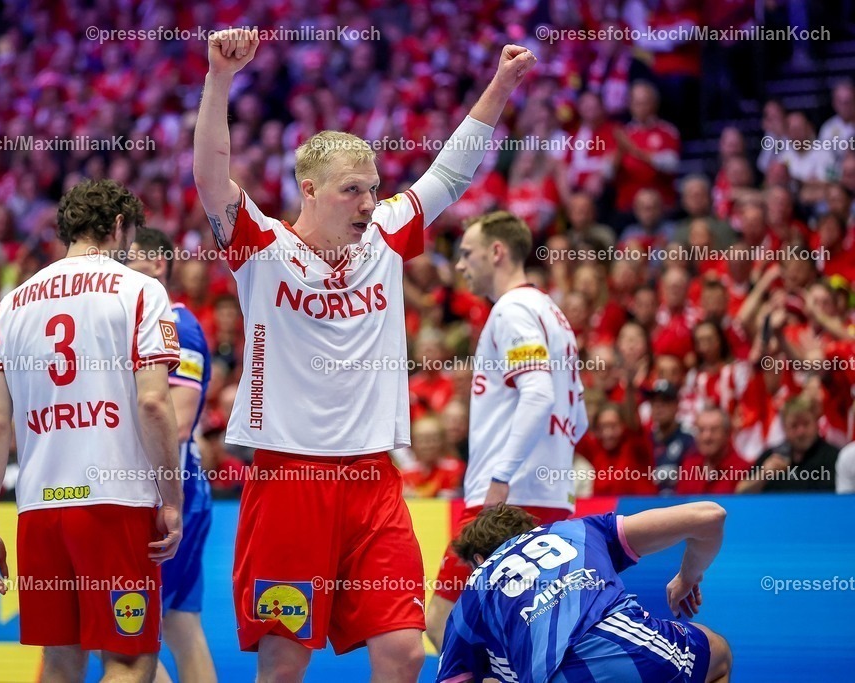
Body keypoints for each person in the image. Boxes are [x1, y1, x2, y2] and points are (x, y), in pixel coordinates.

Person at [193, 26, 538, 682]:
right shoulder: (261, 247)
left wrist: (500, 85)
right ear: (310, 190)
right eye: (352, 189)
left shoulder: (384, 235)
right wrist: (219, 78)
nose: (368, 202)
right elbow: (211, 177)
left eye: (373, 188)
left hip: (373, 478)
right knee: (284, 664)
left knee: (405, 649)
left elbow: (451, 172)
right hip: (289, 479)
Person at [0, 179, 184, 683]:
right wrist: (172, 500)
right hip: (116, 504)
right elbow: (154, 403)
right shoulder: (140, 290)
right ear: (118, 227)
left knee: (61, 664)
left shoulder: (10, 306)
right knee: (128, 662)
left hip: (40, 509)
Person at [427, 211, 588, 649]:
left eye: (467, 253)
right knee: (524, 638)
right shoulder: (553, 314)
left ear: (496, 252)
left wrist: (501, 476)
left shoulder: (512, 310)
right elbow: (579, 417)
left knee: (443, 622)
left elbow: (538, 394)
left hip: (504, 501)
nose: (459, 265)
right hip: (550, 499)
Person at [437, 502, 733, 683]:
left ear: (478, 559)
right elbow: (710, 516)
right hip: (632, 653)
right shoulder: (574, 531)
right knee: (717, 652)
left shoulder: (472, 593)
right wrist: (687, 577)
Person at [126, 227, 216, 683]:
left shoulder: (177, 324)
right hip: (174, 493)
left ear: (158, 264)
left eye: (129, 260)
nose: (120, 270)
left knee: (127, 636)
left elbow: (177, 422)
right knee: (181, 627)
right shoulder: (141, 327)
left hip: (171, 495)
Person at [737, 397, 839, 494]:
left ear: (816, 423)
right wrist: (763, 475)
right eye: (794, 425)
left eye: (806, 424)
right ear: (784, 428)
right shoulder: (772, 456)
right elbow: (740, 492)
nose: (801, 432)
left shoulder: (833, 457)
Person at [676, 409, 750, 496]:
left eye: (714, 430)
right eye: (701, 430)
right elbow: (680, 501)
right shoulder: (689, 465)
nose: (706, 437)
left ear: (727, 433)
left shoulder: (743, 469)